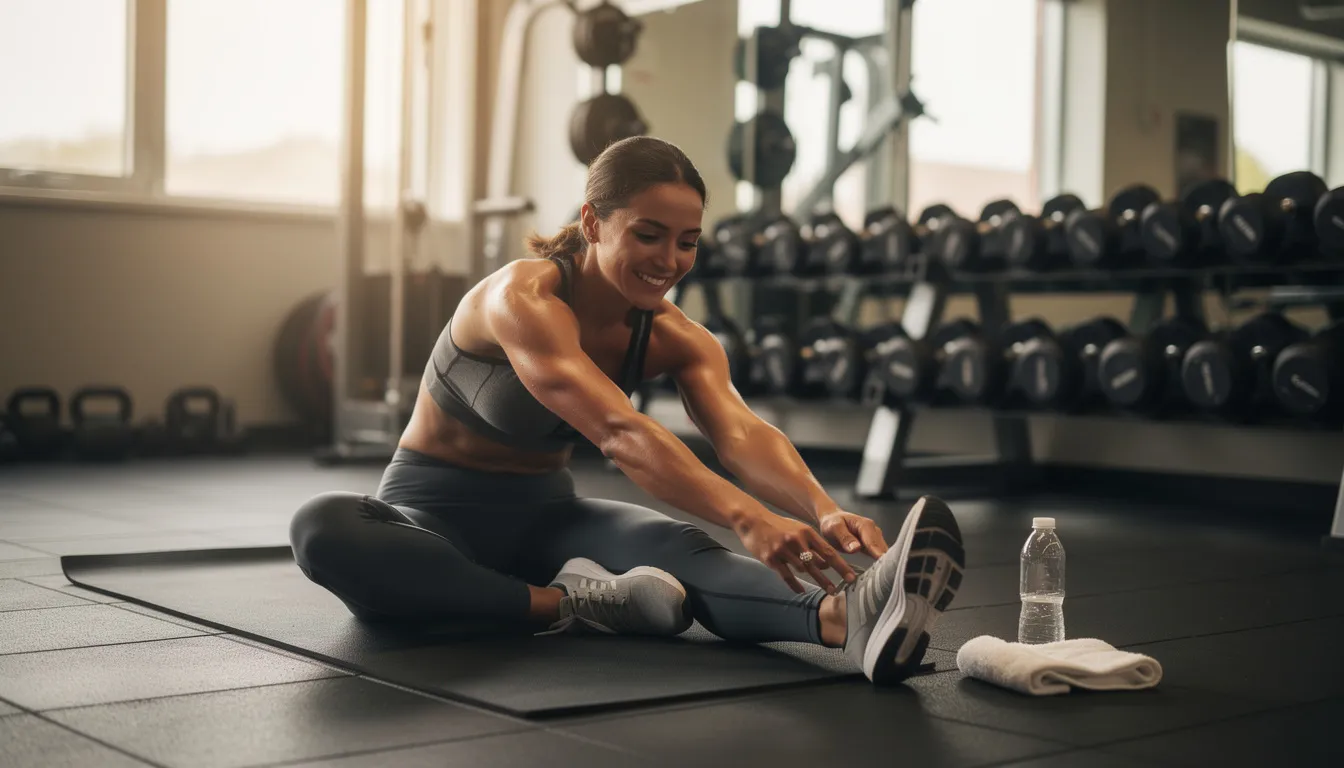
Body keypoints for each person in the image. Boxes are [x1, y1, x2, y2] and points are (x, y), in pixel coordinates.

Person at [290, 136, 964, 685]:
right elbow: (618, 432)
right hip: (427, 521)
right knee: (323, 528)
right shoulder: (520, 300)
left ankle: (846, 621)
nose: (669, 260)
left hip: (548, 521)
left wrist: (821, 508)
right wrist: (749, 516)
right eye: (649, 235)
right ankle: (573, 605)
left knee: (679, 547)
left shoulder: (675, 337)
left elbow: (740, 432)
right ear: (592, 222)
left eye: (688, 241)